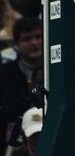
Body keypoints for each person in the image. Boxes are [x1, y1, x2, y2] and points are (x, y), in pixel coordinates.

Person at [0, 17, 43, 151]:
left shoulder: (57, 72)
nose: (34, 43)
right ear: (17, 44)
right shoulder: (5, 74)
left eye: (38, 37)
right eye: (27, 39)